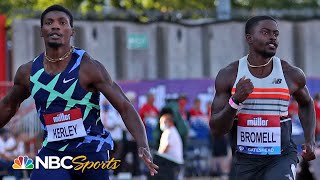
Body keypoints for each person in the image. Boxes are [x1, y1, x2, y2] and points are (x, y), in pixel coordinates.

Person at [0, 4, 158, 180]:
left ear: (71, 31)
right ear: (41, 31)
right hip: (54, 153)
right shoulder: (28, 73)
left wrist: (143, 143)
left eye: (62, 22)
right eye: (49, 22)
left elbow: (124, 106)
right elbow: (8, 106)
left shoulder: (88, 68)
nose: (55, 26)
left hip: (91, 153)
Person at [209, 15, 316, 179]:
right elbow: (217, 129)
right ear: (249, 39)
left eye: (276, 34)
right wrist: (235, 100)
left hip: (281, 157)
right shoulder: (230, 75)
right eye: (266, 33)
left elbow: (307, 104)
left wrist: (310, 140)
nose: (273, 37)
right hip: (244, 161)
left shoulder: (291, 74)